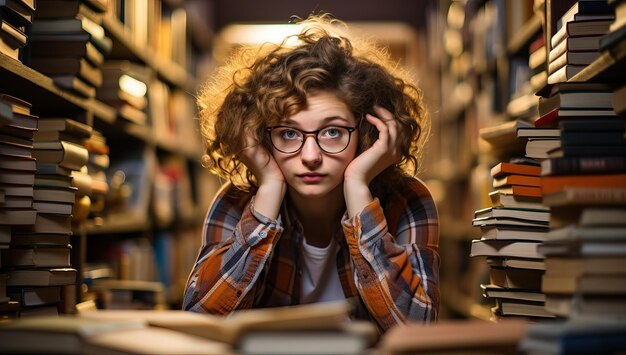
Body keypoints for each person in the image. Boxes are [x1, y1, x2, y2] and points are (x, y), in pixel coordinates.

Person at [183, 14, 440, 332]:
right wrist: (269, 188)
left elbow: (417, 327)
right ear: (263, 138)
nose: (310, 157)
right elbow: (200, 319)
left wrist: (358, 187)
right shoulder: (234, 201)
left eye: (332, 132)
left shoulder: (409, 200)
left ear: (366, 133)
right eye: (288, 134)